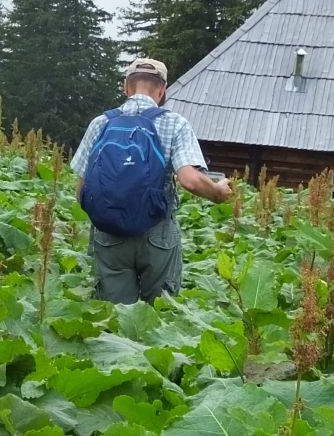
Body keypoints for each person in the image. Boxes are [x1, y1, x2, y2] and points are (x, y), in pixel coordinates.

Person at [70, 57, 232, 304]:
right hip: (157, 234)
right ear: (162, 90)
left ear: (126, 87)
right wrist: (218, 193)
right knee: (161, 317)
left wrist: (110, 213)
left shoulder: (101, 123)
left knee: (115, 320)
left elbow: (81, 190)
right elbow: (190, 179)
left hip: (109, 233)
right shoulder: (174, 123)